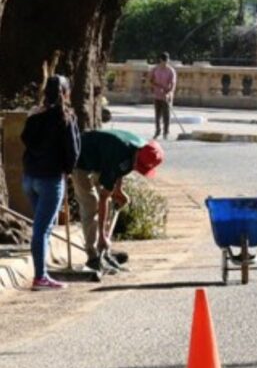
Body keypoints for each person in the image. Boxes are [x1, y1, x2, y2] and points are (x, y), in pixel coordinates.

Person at [71, 130, 164, 273]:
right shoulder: (118, 154)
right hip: (80, 159)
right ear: (137, 154)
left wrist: (118, 190)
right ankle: (93, 257)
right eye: (138, 165)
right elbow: (104, 197)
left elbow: (121, 170)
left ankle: (104, 251)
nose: (136, 168)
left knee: (106, 204)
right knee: (92, 204)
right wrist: (102, 234)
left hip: (100, 159)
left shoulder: (138, 149)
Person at [20, 76, 81, 290]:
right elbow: (73, 151)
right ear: (65, 93)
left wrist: (30, 117)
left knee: (43, 226)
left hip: (30, 177)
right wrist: (67, 170)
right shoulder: (65, 117)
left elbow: (25, 139)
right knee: (42, 228)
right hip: (50, 178)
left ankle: (42, 272)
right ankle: (40, 276)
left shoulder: (36, 115)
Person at [148, 52, 177, 139]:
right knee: (157, 115)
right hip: (157, 95)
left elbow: (173, 84)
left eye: (167, 61)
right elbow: (150, 80)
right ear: (160, 60)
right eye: (164, 61)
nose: (165, 63)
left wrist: (169, 93)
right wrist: (156, 86)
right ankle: (157, 131)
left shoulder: (171, 71)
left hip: (166, 96)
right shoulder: (155, 69)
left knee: (166, 115)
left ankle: (166, 132)